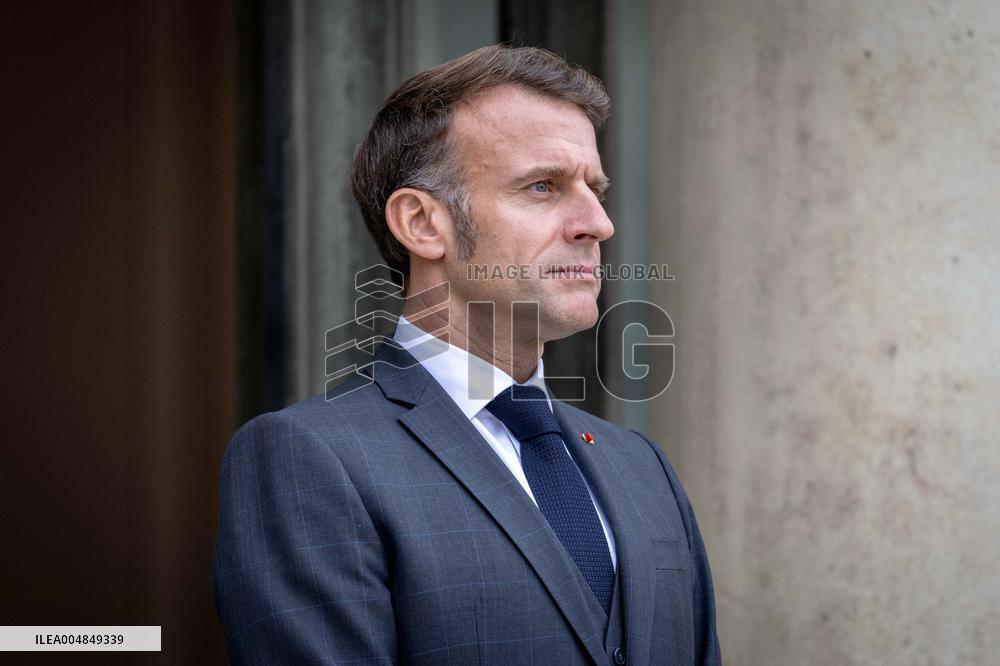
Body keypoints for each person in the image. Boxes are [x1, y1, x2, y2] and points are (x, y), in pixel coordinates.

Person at [213, 44, 720, 665]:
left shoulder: (642, 467)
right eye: (543, 186)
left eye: (596, 188)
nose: (598, 223)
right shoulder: (307, 460)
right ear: (423, 224)